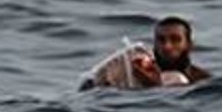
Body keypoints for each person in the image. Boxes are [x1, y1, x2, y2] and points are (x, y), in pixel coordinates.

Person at [79, 16, 212, 90]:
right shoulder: (134, 71)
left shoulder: (202, 81)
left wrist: (154, 86)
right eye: (161, 40)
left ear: (189, 45)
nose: (167, 46)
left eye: (175, 40)